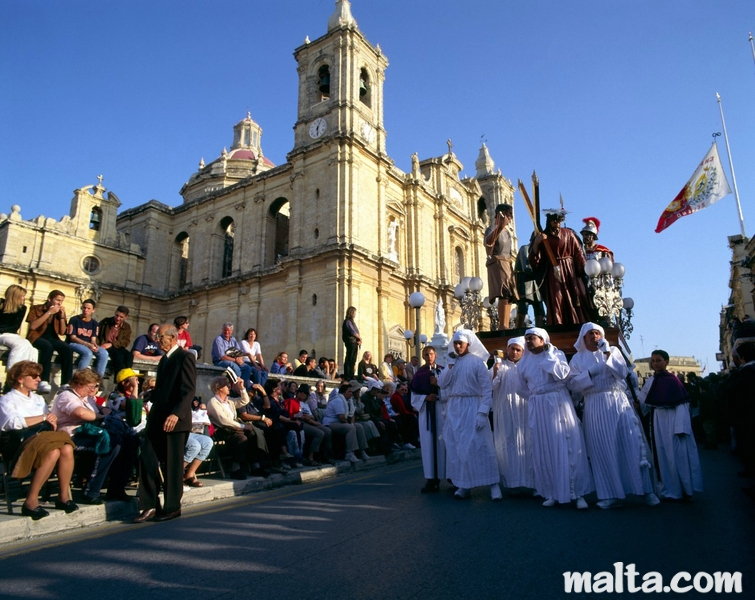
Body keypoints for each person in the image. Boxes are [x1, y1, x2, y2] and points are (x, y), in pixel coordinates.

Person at [567, 323, 659, 509]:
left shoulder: (613, 350)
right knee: (602, 449)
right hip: (594, 404)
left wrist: (608, 354)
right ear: (583, 338)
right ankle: (610, 494)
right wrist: (591, 373)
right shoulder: (577, 359)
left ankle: (646, 490)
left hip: (617, 401)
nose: (594, 336)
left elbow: (622, 373)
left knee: (631, 444)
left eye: (597, 333)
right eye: (590, 334)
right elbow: (573, 385)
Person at [517, 327, 593, 509]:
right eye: (526, 338)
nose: (528, 341)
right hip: (538, 405)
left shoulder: (556, 354)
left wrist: (549, 356)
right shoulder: (523, 362)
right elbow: (520, 388)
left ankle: (577, 493)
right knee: (544, 447)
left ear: (543, 340)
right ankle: (551, 491)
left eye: (532, 338)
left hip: (558, 403)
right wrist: (537, 396)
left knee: (567, 445)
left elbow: (562, 374)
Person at [133, 324, 196, 523]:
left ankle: (172, 507)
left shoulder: (185, 357)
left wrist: (176, 414)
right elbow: (165, 388)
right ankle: (149, 505)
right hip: (158, 417)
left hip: (175, 420)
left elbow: (188, 390)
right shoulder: (163, 360)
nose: (158, 341)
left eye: (161, 338)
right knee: (147, 458)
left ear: (172, 337)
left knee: (172, 465)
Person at [0, 361, 77, 519]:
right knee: (53, 451)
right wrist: (42, 418)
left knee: (66, 448)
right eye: (34, 376)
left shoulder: (38, 399)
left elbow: (46, 419)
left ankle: (63, 496)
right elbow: (12, 423)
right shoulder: (7, 400)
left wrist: (51, 420)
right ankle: (31, 500)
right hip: (18, 441)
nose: (38, 379)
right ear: (21, 379)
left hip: (42, 437)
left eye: (39, 376)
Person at [438, 330, 502, 501]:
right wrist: (449, 366)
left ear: (468, 344)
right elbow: (442, 384)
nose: (457, 346)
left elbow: (487, 389)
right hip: (455, 408)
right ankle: (463, 484)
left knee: (480, 445)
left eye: (461, 343)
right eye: (455, 343)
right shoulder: (452, 363)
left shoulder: (477, 362)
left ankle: (493, 484)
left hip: (472, 406)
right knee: (457, 447)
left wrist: (482, 412)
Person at [637, 350, 703, 501]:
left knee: (678, 456)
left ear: (666, 362)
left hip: (673, 422)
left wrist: (681, 427)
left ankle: (684, 489)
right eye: (653, 361)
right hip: (658, 421)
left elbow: (681, 405)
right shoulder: (651, 381)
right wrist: (638, 404)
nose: (655, 363)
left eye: (659, 360)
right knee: (662, 456)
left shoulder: (673, 381)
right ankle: (666, 489)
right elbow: (644, 400)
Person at [51, 369, 123, 504]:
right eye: (91, 386)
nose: (94, 389)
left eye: (95, 386)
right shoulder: (67, 396)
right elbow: (82, 414)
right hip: (70, 436)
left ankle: (116, 489)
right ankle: (91, 491)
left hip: (88, 432)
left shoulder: (86, 397)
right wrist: (102, 415)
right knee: (109, 444)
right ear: (79, 384)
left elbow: (102, 408)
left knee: (125, 440)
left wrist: (102, 412)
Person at [528, 209, 592, 325]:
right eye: (554, 221)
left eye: (559, 221)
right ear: (549, 221)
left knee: (574, 297)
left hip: (570, 271)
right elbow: (534, 260)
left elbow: (578, 252)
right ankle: (558, 324)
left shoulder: (569, 233)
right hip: (553, 273)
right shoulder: (543, 237)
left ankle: (577, 323)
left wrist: (584, 270)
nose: (557, 224)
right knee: (557, 298)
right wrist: (537, 243)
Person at [491, 336, 534, 492]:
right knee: (508, 444)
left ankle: (533, 483)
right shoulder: (500, 366)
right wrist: (496, 368)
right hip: (506, 412)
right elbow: (493, 386)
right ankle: (512, 482)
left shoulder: (527, 366)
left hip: (525, 410)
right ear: (507, 349)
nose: (514, 352)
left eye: (518, 350)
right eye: (512, 349)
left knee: (528, 444)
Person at [207, 377, 271, 479]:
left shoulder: (229, 401)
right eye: (226, 385)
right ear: (219, 388)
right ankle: (235, 468)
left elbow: (244, 401)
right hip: (222, 429)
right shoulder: (213, 402)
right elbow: (224, 421)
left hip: (234, 427)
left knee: (253, 434)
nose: (229, 387)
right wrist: (243, 426)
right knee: (241, 438)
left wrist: (242, 388)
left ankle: (255, 466)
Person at [410, 345, 446, 493]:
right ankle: (431, 478)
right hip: (426, 411)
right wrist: (426, 397)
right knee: (428, 444)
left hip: (441, 410)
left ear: (436, 355)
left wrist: (439, 390)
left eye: (431, 354)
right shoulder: (419, 374)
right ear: (423, 357)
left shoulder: (444, 371)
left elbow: (451, 390)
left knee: (444, 443)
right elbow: (413, 396)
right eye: (426, 355)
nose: (429, 357)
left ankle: (450, 475)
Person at [26, 289, 73, 393]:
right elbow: (33, 326)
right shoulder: (36, 308)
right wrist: (48, 313)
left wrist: (62, 316)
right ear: (49, 299)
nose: (59, 303)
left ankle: (66, 383)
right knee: (47, 347)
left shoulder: (58, 313)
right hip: (37, 336)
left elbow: (61, 332)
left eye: (61, 301)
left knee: (67, 349)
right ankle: (44, 380)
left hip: (53, 337)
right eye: (57, 300)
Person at [484, 203, 518, 330]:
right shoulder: (492, 228)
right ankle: (502, 325)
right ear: (501, 214)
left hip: (507, 263)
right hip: (498, 263)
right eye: (508, 215)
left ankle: (506, 324)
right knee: (503, 292)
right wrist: (499, 227)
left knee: (509, 294)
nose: (510, 219)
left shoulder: (507, 232)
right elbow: (488, 242)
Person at [322, 381, 369, 464]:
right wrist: (350, 424)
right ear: (343, 392)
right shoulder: (339, 400)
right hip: (331, 423)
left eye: (351, 391)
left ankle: (362, 451)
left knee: (358, 427)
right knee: (350, 428)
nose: (351, 393)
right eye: (349, 392)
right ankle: (349, 453)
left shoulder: (349, 401)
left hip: (340, 422)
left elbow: (352, 414)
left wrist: (352, 423)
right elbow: (342, 417)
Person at [66, 298, 109, 377]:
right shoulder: (74, 320)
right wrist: (87, 344)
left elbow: (93, 339)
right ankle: (81, 377)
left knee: (104, 353)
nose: (86, 310)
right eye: (84, 308)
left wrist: (94, 345)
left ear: (93, 310)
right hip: (74, 343)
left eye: (88, 308)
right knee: (88, 353)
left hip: (88, 344)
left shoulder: (94, 323)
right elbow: (73, 337)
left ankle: (98, 379)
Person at [0, 284, 38, 370]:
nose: (24, 298)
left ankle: (26, 372)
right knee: (20, 344)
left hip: (12, 334)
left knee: (32, 349)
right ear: (16, 296)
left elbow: (15, 326)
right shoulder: (1, 304)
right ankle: (12, 371)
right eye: (22, 296)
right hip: (2, 334)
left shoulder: (22, 308)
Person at [514, 235, 545, 328]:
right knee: (523, 306)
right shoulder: (525, 249)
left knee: (539, 308)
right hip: (525, 282)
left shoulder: (541, 252)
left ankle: (539, 329)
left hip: (536, 283)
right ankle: (518, 329)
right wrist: (541, 272)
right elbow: (526, 268)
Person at [183, 398, 214, 488]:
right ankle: (175, 475)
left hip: (188, 431)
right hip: (176, 432)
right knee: (195, 445)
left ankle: (189, 474)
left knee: (207, 442)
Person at [211, 323, 253, 387]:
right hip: (220, 362)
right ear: (222, 330)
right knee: (233, 366)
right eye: (225, 330)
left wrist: (240, 359)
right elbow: (222, 357)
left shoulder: (233, 340)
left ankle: (243, 387)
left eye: (229, 330)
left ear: (232, 331)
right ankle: (237, 387)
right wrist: (235, 360)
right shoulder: (218, 340)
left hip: (234, 360)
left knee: (247, 368)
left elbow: (239, 352)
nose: (227, 332)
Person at [97, 306, 133, 376]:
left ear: (126, 317)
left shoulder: (127, 327)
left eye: (121, 317)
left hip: (118, 346)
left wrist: (112, 344)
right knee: (118, 357)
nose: (118, 318)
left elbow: (126, 341)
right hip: (105, 346)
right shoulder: (105, 322)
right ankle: (120, 379)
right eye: (117, 315)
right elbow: (97, 334)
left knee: (129, 355)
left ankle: (127, 375)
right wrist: (99, 345)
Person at [342, 306, 361, 380]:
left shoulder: (352, 322)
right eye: (354, 312)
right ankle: (347, 375)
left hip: (354, 342)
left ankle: (351, 374)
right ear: (351, 312)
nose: (355, 314)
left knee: (353, 360)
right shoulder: (347, 321)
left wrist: (359, 339)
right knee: (349, 359)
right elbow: (352, 331)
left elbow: (356, 331)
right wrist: (359, 338)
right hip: (351, 342)